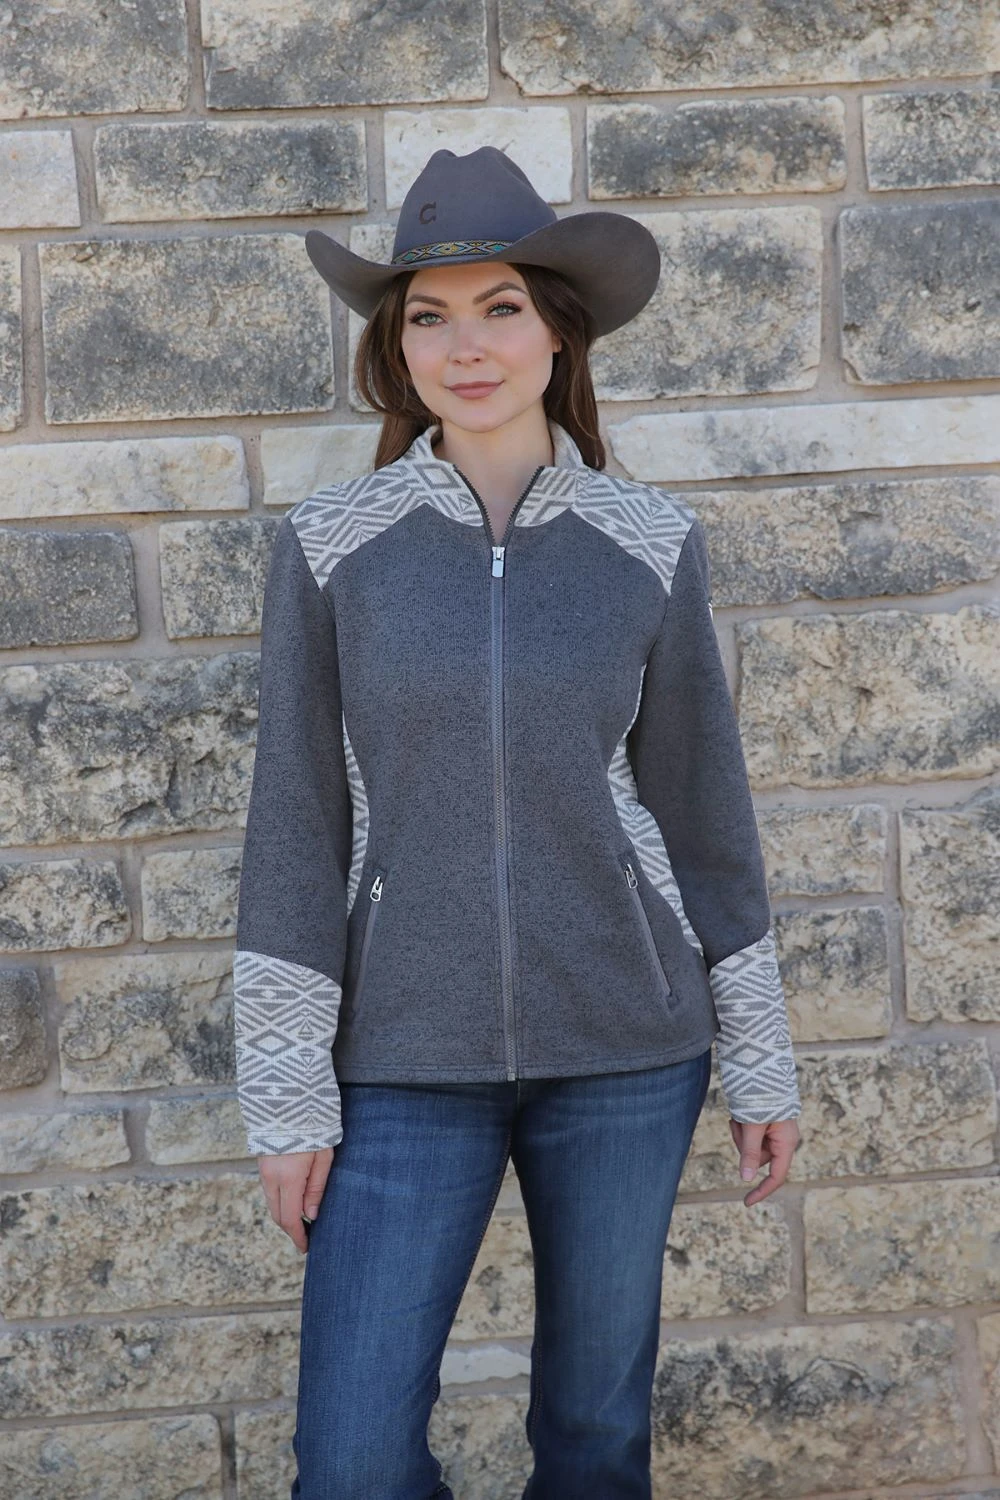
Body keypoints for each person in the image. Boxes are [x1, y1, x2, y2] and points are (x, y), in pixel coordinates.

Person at [232, 145, 802, 1500]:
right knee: (352, 1462)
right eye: (429, 315)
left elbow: (703, 812)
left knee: (596, 1440)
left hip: (627, 1049)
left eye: (500, 309)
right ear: (397, 346)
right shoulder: (331, 546)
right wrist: (287, 1091)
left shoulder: (649, 543)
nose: (465, 346)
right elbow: (295, 825)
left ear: (559, 331)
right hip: (402, 1054)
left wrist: (762, 1059)